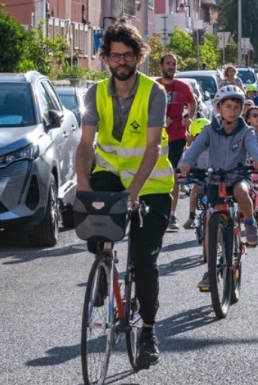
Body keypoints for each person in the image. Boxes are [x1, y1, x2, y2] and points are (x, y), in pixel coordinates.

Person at [75, 23, 173, 369]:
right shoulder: (95, 93)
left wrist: (134, 193)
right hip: (111, 175)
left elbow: (152, 146)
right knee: (94, 221)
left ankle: (147, 331)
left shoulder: (153, 93)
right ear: (105, 58)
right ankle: (103, 267)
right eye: (115, 55)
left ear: (138, 57)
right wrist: (82, 187)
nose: (121, 61)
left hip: (152, 186)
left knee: (144, 260)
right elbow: (86, 144)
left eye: (128, 55)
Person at [179, 85, 258, 290]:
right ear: (218, 108)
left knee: (241, 191)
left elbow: (254, 148)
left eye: (237, 106)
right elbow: (195, 148)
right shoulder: (209, 130)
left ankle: (250, 223)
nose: (233, 110)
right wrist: (185, 163)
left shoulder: (245, 131)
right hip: (214, 179)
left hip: (237, 177)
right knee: (210, 220)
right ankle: (210, 271)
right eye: (228, 106)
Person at [158, 53, 196, 232]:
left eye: (174, 64)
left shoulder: (183, 86)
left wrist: (188, 117)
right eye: (168, 63)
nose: (171, 67)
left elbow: (192, 103)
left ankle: (172, 216)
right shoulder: (154, 86)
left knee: (172, 173)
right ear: (161, 66)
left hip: (177, 135)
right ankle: (155, 213)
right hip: (155, 136)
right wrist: (160, 118)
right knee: (156, 174)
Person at [181, 118, 210, 231]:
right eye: (198, 136)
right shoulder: (191, 149)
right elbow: (184, 162)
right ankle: (191, 217)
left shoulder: (216, 147)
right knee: (194, 190)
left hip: (215, 177)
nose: (202, 139)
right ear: (193, 137)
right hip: (200, 178)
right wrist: (184, 172)